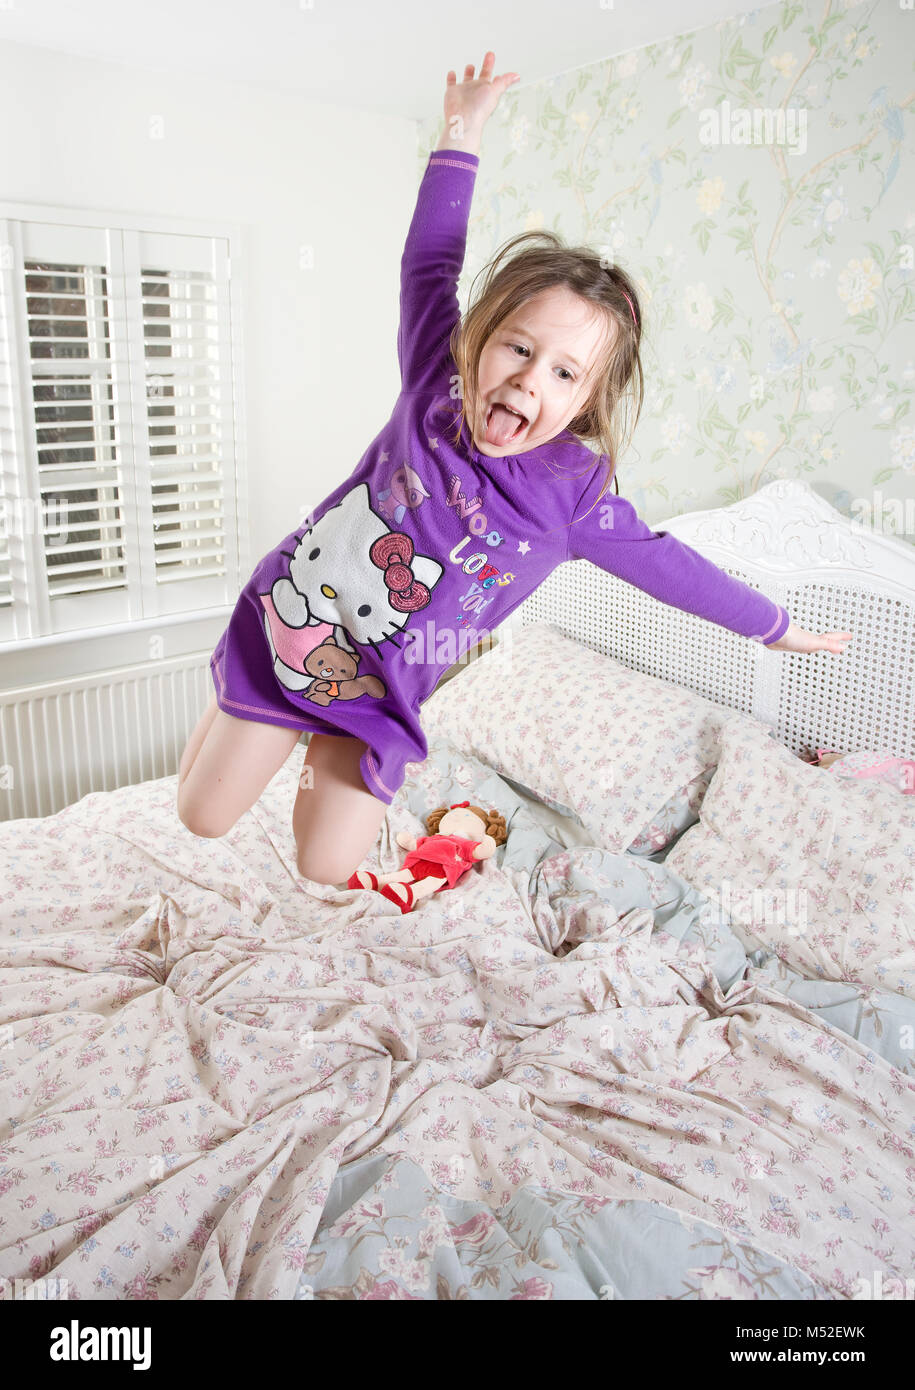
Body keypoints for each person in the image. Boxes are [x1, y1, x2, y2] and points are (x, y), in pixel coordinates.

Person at [176, 51, 852, 887]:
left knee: (323, 866)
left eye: (564, 373)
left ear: (588, 401)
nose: (531, 379)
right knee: (201, 818)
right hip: (293, 619)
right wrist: (462, 130)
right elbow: (428, 263)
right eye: (519, 347)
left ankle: (319, 737)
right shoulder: (437, 382)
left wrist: (776, 627)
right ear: (481, 339)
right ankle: (238, 683)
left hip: (377, 694)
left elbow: (673, 571)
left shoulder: (575, 500)